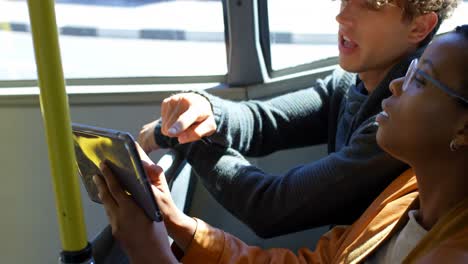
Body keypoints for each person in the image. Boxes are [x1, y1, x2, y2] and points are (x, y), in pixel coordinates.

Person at [95, 25, 468, 263]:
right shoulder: (403, 195)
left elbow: (271, 206)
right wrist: (179, 225)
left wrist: (152, 253)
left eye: (421, 80)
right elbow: (263, 120)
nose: (398, 84)